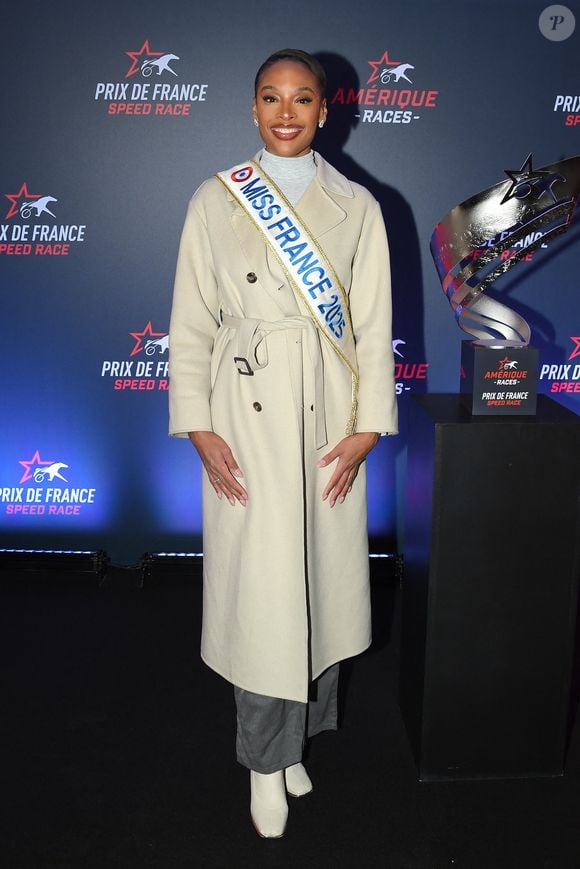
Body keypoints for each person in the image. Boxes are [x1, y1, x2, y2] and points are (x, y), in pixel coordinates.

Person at [169, 48, 398, 838]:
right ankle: (264, 760)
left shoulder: (358, 205)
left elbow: (372, 327)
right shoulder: (215, 198)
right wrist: (198, 423)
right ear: (254, 108)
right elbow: (192, 322)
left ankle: (299, 740)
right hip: (247, 411)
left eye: (303, 97)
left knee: (324, 588)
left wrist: (369, 424)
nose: (288, 111)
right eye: (272, 97)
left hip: (330, 418)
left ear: (325, 109)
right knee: (266, 594)